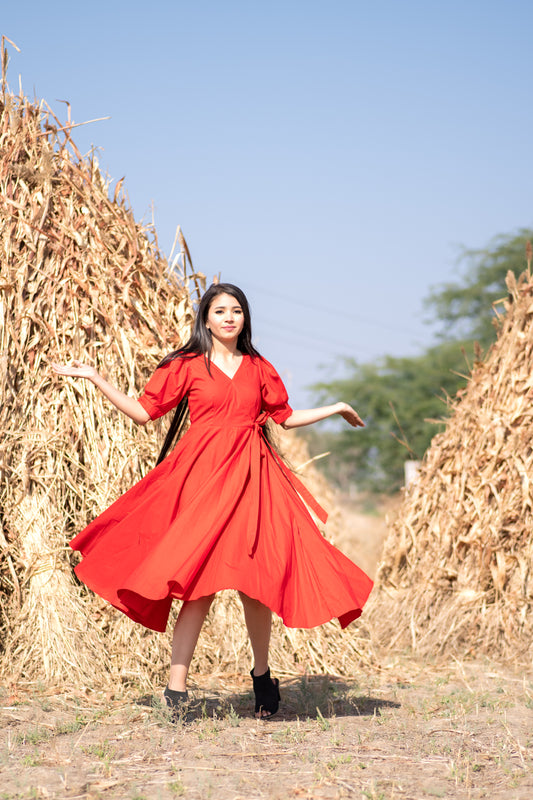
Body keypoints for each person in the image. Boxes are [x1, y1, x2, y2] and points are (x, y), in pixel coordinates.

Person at [52, 283, 373, 719]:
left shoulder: (259, 367)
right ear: (205, 318)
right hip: (202, 483)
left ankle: (262, 679)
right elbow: (145, 412)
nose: (228, 317)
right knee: (196, 587)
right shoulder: (186, 366)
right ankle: (176, 691)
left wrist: (335, 407)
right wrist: (95, 377)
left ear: (245, 319)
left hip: (253, 483)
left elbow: (285, 418)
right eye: (219, 310)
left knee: (257, 587)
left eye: (236, 311)